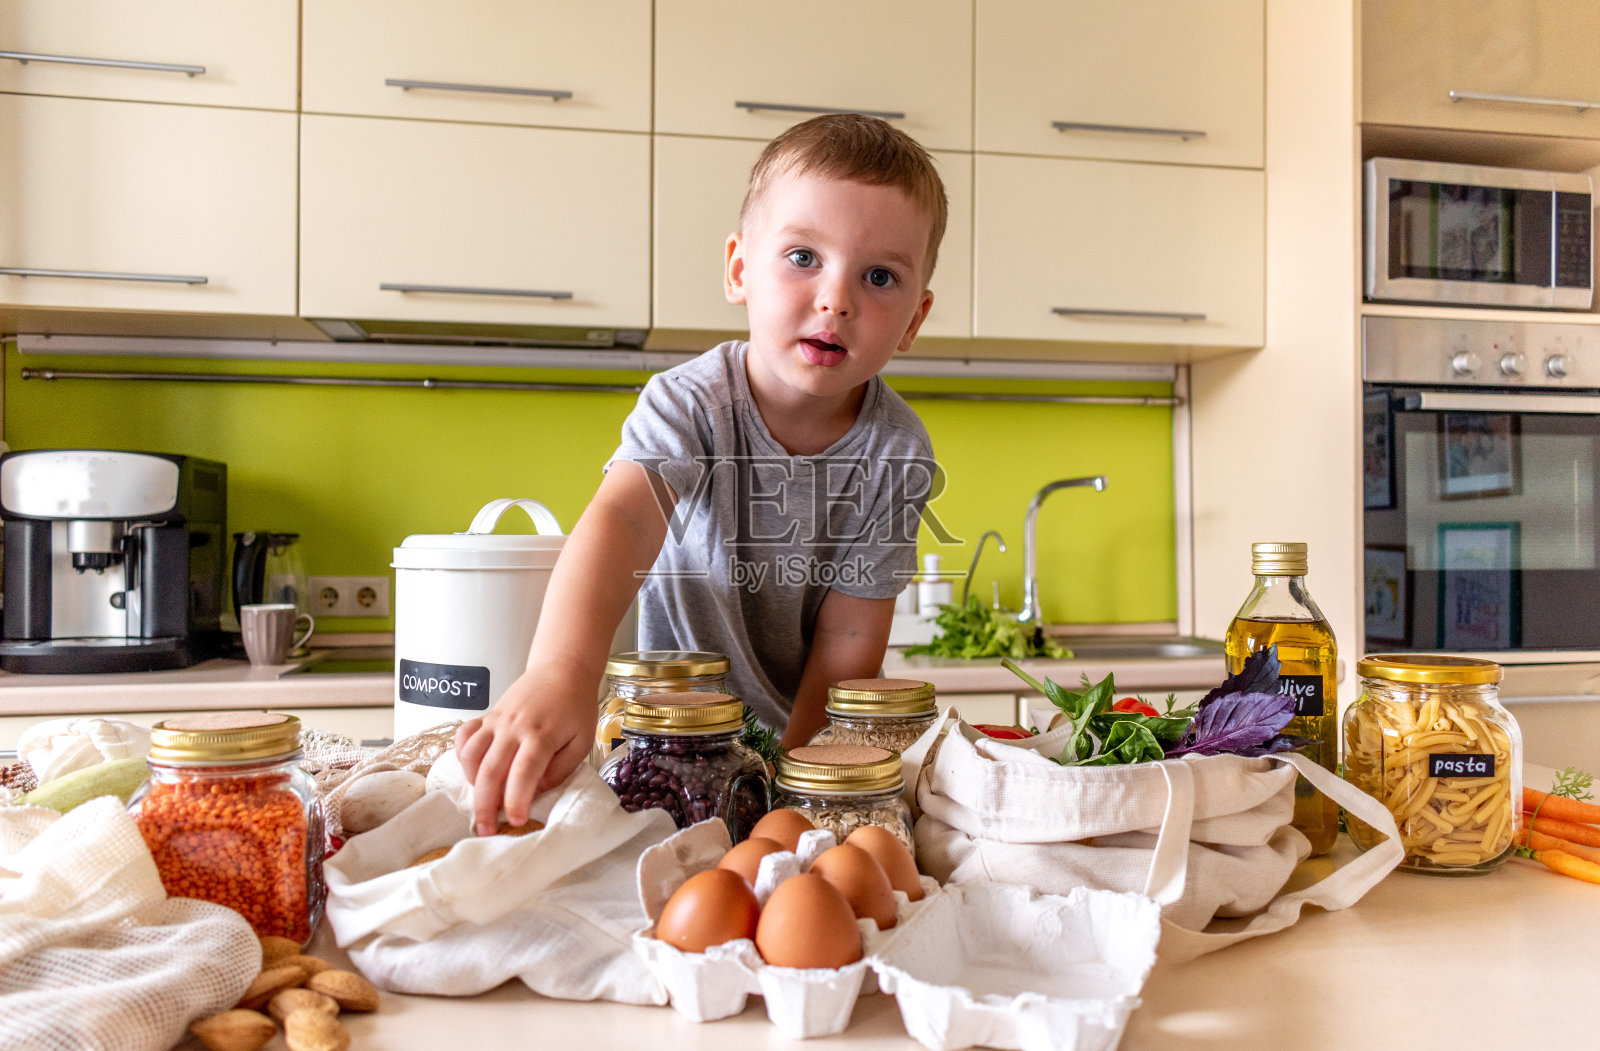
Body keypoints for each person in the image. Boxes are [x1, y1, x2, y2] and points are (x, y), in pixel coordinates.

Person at [455, 113, 949, 836]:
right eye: (804, 257)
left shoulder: (897, 453)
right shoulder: (688, 403)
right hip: (660, 738)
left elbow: (848, 641)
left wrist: (796, 782)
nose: (836, 298)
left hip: (787, 744)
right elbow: (622, 522)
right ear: (740, 269)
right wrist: (561, 673)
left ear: (913, 320)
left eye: (879, 276)